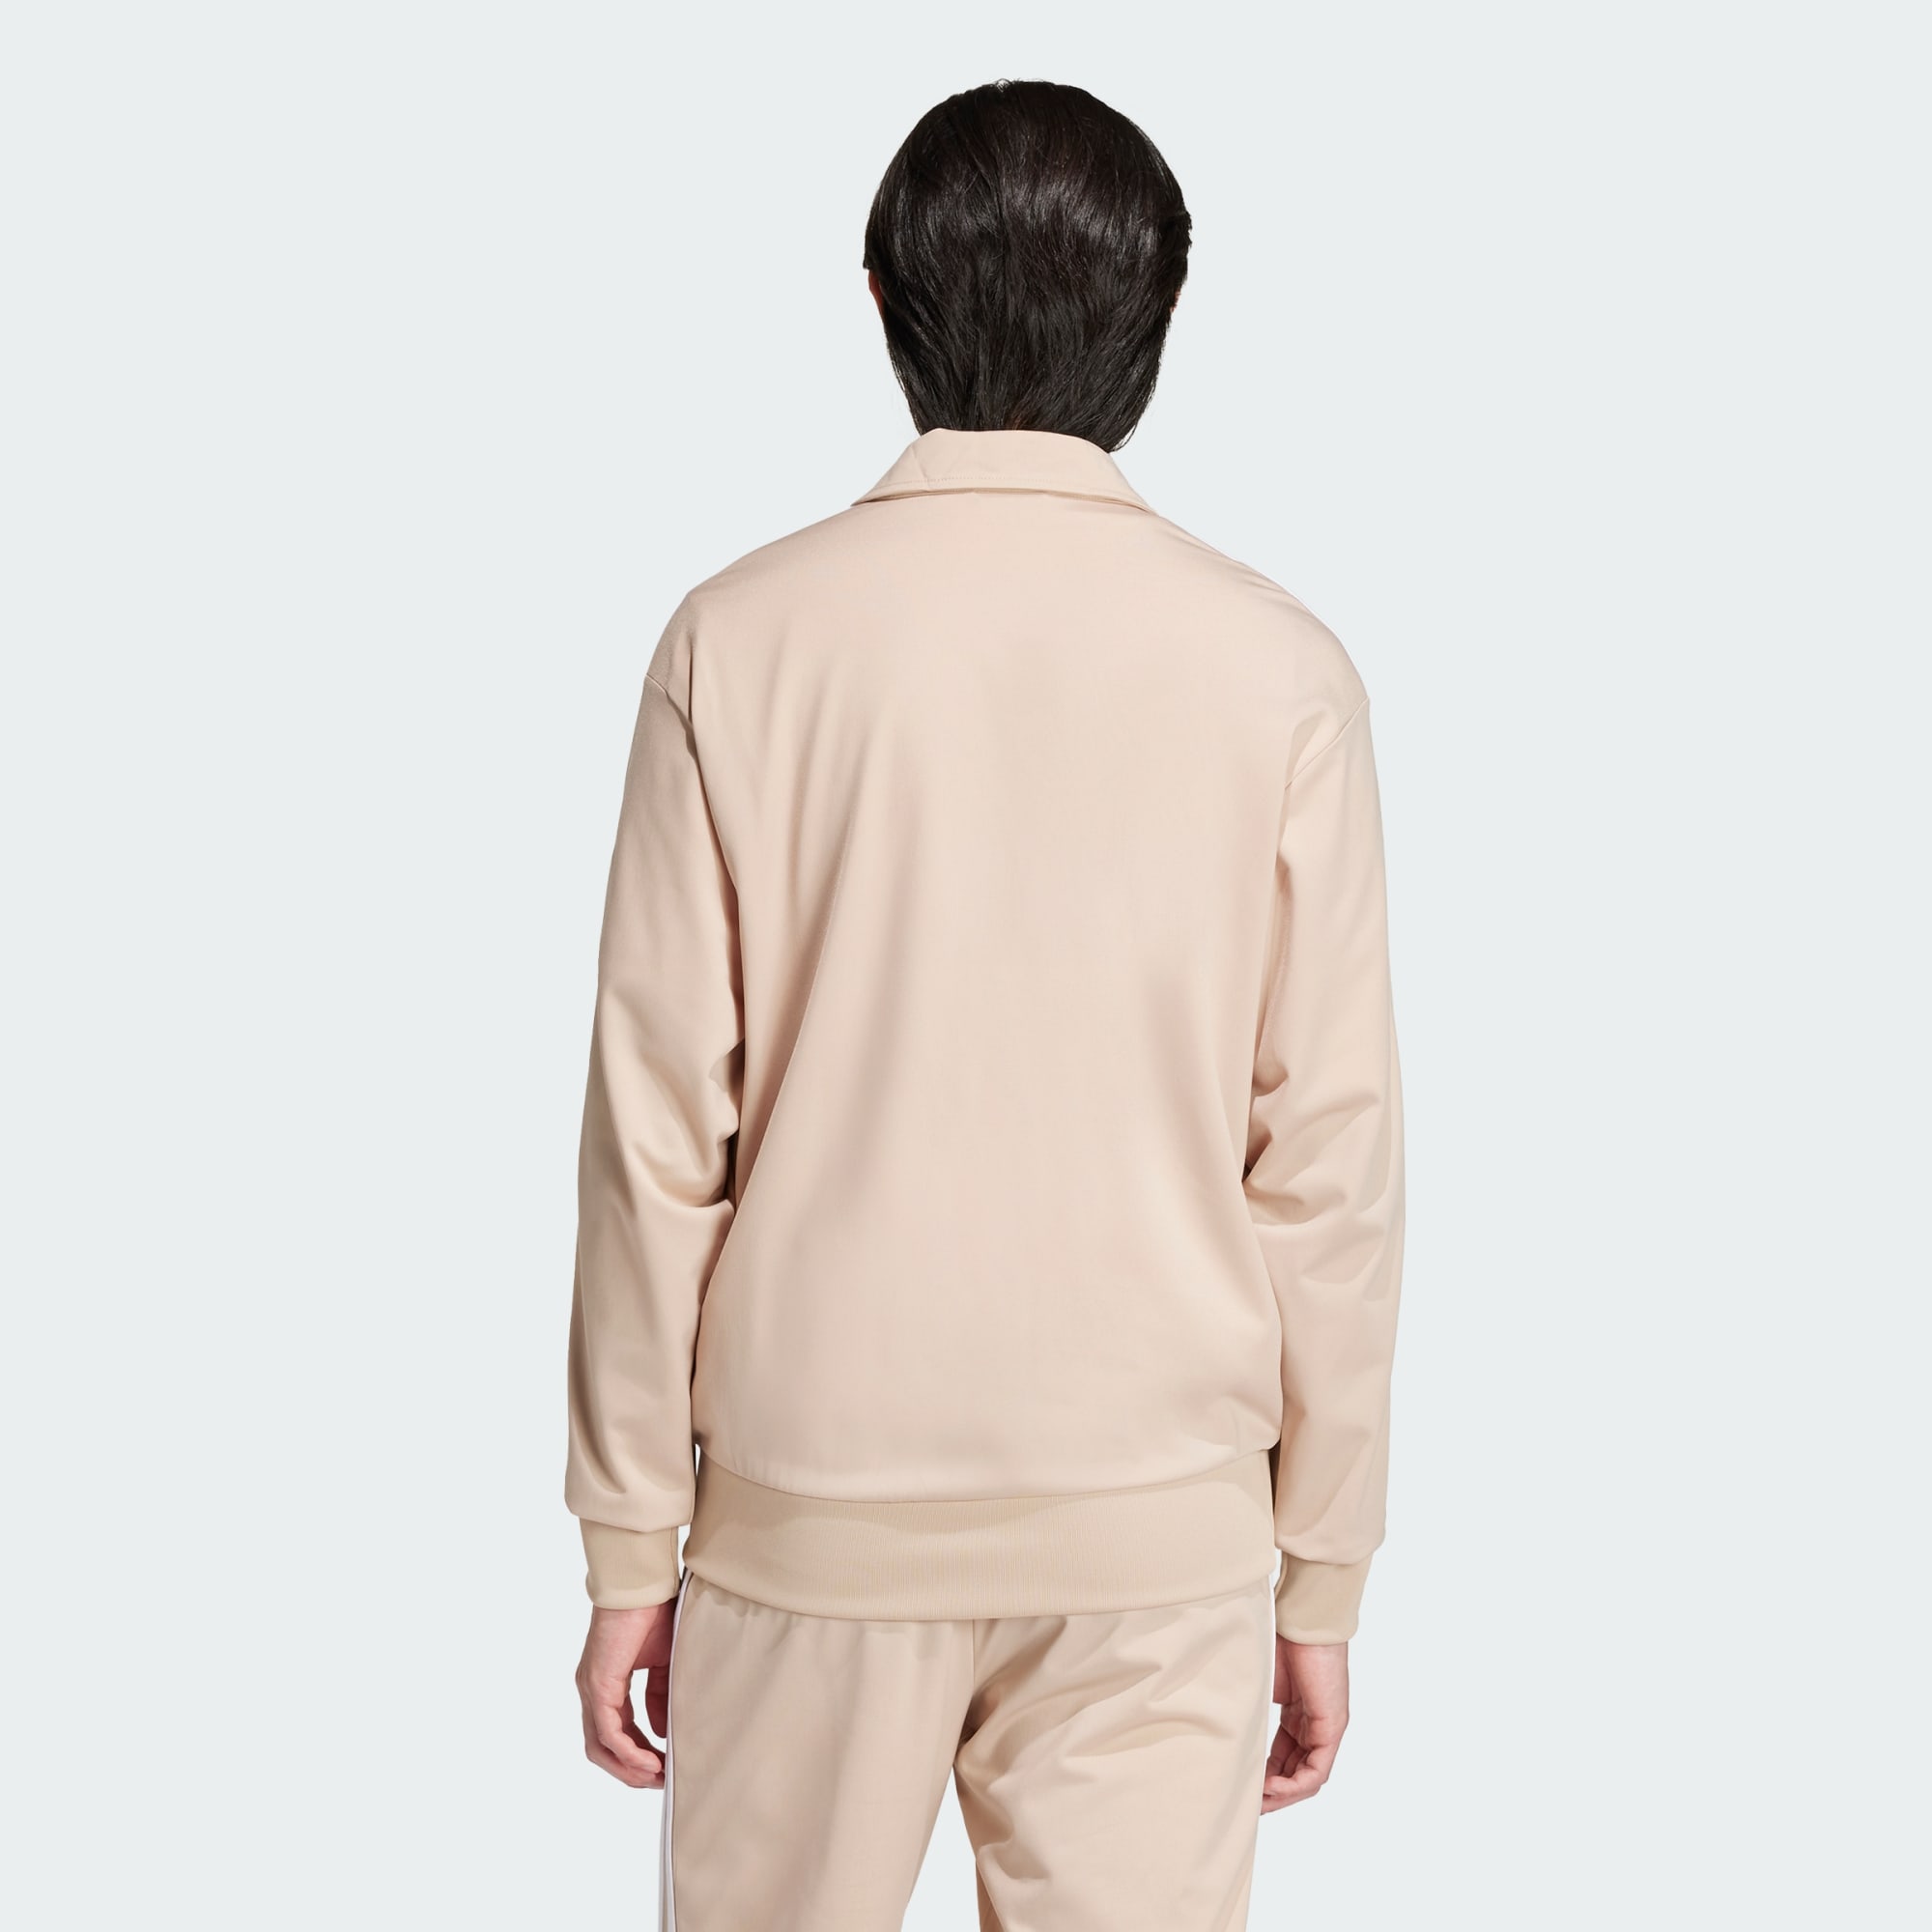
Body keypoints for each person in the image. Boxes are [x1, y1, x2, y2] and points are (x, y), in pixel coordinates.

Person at [566, 77, 1405, 1932]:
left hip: (809, 1513)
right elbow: (1327, 1171)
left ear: (882, 304)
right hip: (1161, 1535)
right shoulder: (1281, 671)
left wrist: (630, 1539)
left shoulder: (737, 640)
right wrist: (1319, 1569)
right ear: (1157, 320)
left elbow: (655, 1138)